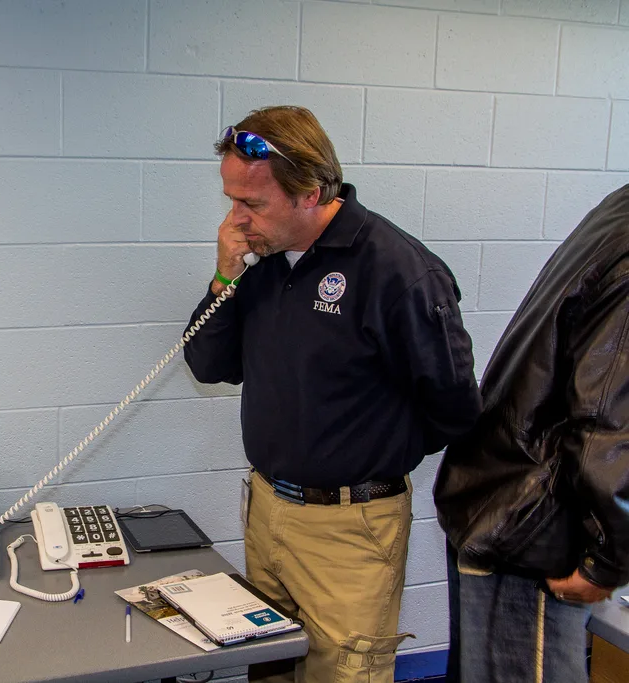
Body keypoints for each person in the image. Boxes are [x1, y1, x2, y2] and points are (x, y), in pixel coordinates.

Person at [183, 105, 482, 683]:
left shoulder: (397, 271)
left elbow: (455, 409)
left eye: (252, 203)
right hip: (268, 511)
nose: (236, 218)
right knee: (267, 667)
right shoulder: (260, 261)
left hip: (351, 527)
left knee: (345, 673)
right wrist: (224, 274)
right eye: (231, 199)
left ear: (312, 192)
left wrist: (376, 450)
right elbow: (207, 362)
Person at [435, 185, 629, 683]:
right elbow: (608, 422)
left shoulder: (621, 207)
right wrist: (609, 561)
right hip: (532, 524)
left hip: (507, 499)